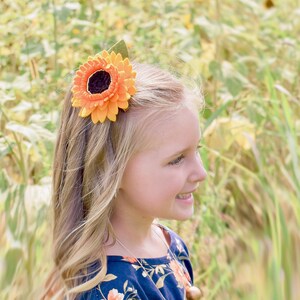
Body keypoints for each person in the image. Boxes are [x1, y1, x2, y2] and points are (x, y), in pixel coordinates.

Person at [42, 41, 207, 300]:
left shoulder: (169, 244)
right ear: (109, 169)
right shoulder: (108, 287)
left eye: (196, 149)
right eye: (176, 159)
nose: (201, 172)